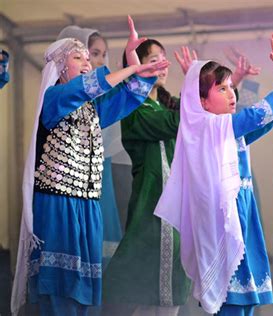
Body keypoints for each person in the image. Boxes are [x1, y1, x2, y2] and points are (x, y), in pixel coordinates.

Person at [10, 18, 169, 315]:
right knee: (60, 292)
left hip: (88, 207)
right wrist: (130, 68)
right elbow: (88, 86)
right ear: (59, 66)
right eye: (78, 57)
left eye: (88, 57)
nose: (87, 63)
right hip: (58, 206)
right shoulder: (55, 97)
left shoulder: (92, 108)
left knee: (83, 294)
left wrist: (138, 67)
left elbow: (126, 98)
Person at [154, 34, 273, 315]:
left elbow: (266, 118)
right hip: (223, 222)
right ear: (202, 100)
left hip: (243, 215)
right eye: (222, 89)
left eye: (231, 87)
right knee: (231, 303)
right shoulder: (204, 128)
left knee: (245, 300)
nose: (231, 94)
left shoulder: (226, 129)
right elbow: (252, 117)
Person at [102, 39, 191, 316]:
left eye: (164, 59)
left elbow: (202, 111)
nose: (163, 65)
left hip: (175, 204)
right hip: (151, 201)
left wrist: (201, 83)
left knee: (170, 283)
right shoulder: (133, 110)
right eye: (154, 60)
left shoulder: (168, 105)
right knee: (139, 282)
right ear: (136, 68)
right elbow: (179, 121)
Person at [57, 24, 123, 268]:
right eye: (92, 53)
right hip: (66, 184)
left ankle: (100, 303)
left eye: (101, 55)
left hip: (99, 175)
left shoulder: (100, 98)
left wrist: (138, 73)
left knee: (100, 244)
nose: (95, 61)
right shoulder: (58, 96)